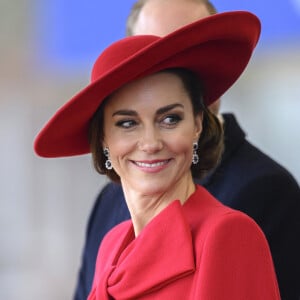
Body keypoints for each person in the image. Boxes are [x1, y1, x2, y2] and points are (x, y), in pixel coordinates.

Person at [34, 11, 281, 299]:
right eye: (127, 123)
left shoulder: (228, 234)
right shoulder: (111, 245)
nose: (150, 142)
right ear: (103, 137)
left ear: (198, 124)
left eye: (169, 119)